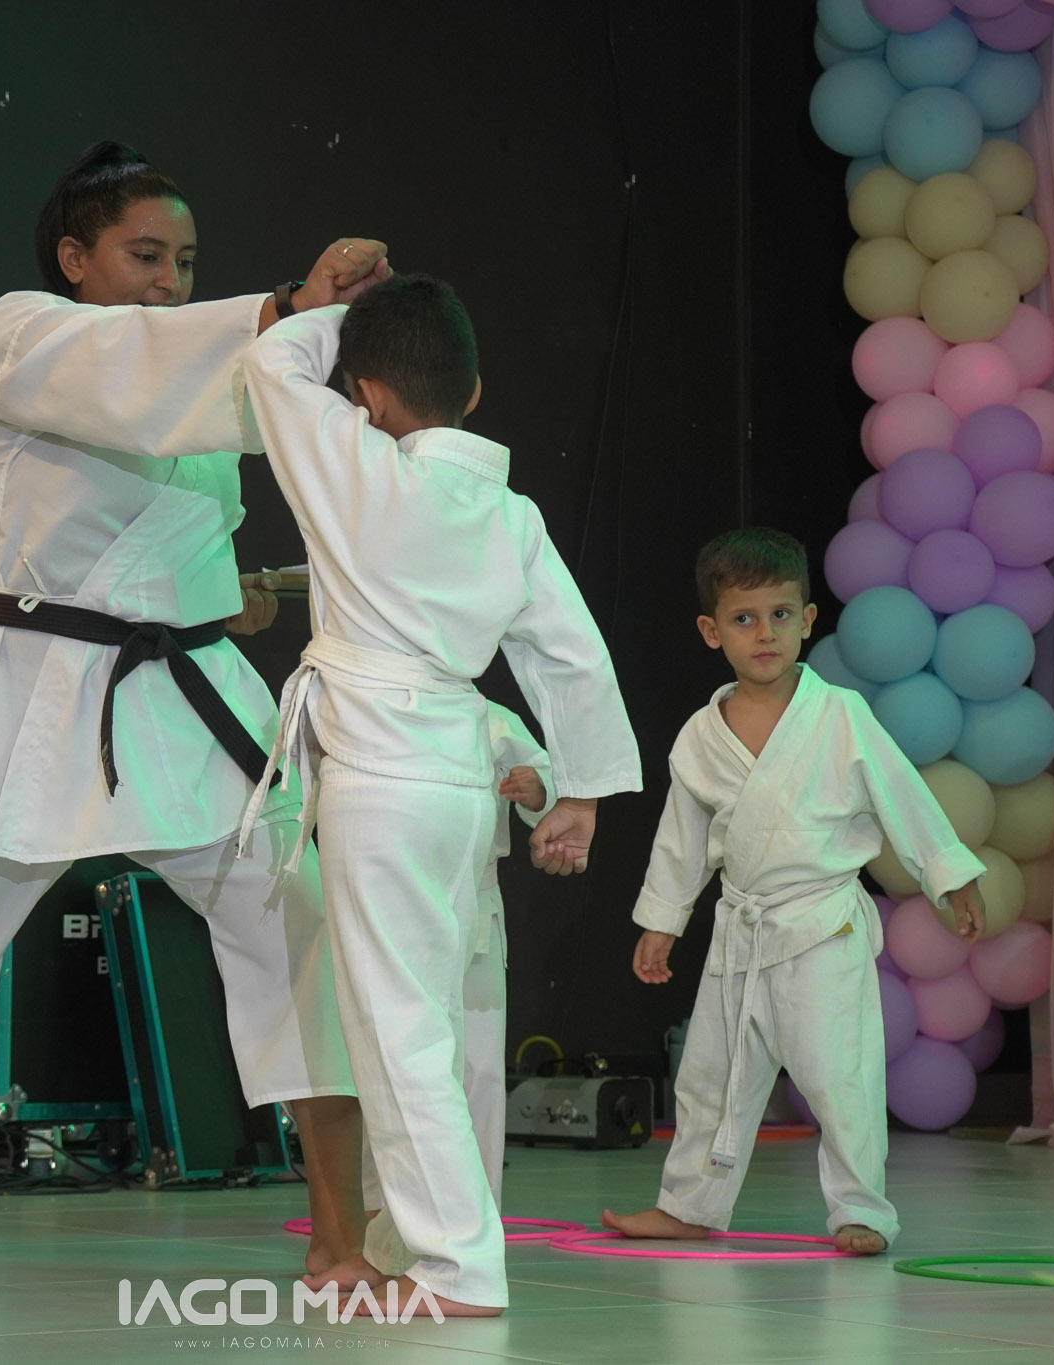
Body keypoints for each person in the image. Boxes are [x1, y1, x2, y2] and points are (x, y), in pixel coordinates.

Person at [0, 141, 387, 1267]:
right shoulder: (19, 336)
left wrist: (214, 587)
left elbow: (199, 472)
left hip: (181, 697)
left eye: (185, 262)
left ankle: (338, 1226)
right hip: (23, 694)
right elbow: (129, 381)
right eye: (145, 255)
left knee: (294, 925)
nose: (169, 281)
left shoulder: (217, 368)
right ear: (72, 257)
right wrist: (290, 307)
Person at [240, 275, 641, 1315]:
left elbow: (270, 361)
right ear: (474, 393)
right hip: (457, 781)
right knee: (420, 1027)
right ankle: (424, 1248)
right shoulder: (509, 513)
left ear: (368, 394)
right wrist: (584, 792)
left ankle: (456, 1267)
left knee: (398, 1032)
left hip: (381, 778)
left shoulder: (352, 460)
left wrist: (338, 310)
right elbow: (571, 656)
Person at [601, 528, 985, 1256]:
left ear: (808, 619)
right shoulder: (699, 735)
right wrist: (663, 920)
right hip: (741, 926)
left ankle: (861, 1210)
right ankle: (690, 1205)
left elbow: (901, 793)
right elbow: (682, 839)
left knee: (840, 1076)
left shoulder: (840, 714)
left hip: (822, 925)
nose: (765, 634)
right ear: (712, 631)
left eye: (781, 615)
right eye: (744, 619)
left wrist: (950, 874)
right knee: (710, 1075)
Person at [358, 703, 551, 1220]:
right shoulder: (372, 703)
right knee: (395, 1057)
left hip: (476, 903)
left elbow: (548, 784)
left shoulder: (489, 718)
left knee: (478, 1070)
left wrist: (539, 791)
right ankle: (384, 1211)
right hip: (397, 898)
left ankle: (477, 1213)